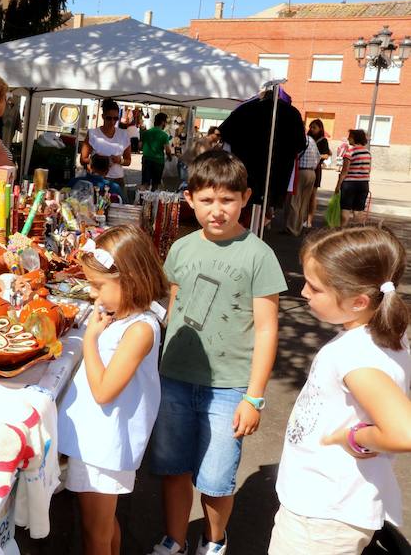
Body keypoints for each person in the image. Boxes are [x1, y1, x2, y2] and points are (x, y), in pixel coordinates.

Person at [147, 150, 287, 555]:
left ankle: (213, 541)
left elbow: (267, 329)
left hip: (229, 388)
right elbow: (174, 305)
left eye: (227, 199)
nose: (217, 210)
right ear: (189, 199)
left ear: (246, 198)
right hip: (174, 378)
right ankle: (174, 540)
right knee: (173, 468)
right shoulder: (181, 248)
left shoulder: (258, 255)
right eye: (207, 200)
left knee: (216, 479)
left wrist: (254, 397)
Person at [270, 226, 411, 554]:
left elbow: (404, 432)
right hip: (329, 507)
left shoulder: (356, 354)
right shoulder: (378, 336)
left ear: (359, 301)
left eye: (315, 287)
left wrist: (353, 437)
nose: (303, 292)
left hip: (321, 517)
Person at [57, 224, 168, 555]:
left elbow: (103, 391)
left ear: (130, 280)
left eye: (98, 286)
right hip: (98, 440)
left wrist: (90, 339)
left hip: (105, 447)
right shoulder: (122, 318)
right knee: (103, 526)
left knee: (96, 533)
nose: (93, 294)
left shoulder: (139, 330)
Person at [80, 99, 131, 199]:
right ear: (103, 116)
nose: (112, 122)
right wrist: (99, 160)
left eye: (115, 118)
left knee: (119, 206)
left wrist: (119, 160)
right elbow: (83, 159)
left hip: (117, 179)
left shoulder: (123, 134)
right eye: (109, 118)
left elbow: (128, 161)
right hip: (97, 181)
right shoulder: (93, 134)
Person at [284, 122, 321, 236]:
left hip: (300, 172)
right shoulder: (311, 140)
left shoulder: (297, 140)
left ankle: (292, 228)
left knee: (294, 201)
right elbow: (318, 157)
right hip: (312, 172)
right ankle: (299, 228)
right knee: (304, 202)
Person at [335, 129, 371, 226]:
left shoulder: (350, 152)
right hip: (363, 184)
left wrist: (338, 186)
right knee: (358, 211)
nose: (348, 138)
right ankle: (359, 232)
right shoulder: (367, 153)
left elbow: (344, 171)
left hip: (349, 184)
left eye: (350, 137)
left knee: (345, 209)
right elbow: (368, 170)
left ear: (355, 138)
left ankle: (342, 231)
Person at [304, 119, 330, 229]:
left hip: (316, 169)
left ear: (320, 128)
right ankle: (302, 218)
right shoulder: (306, 138)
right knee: (304, 195)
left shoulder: (323, 140)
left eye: (314, 127)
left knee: (312, 195)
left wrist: (316, 155)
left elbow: (326, 155)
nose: (312, 129)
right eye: (311, 127)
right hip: (304, 167)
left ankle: (309, 219)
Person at [140, 113, 172, 191]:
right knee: (155, 185)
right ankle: (153, 198)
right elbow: (167, 150)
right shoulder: (164, 135)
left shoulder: (146, 132)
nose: (166, 124)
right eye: (165, 122)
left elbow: (140, 146)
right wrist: (170, 157)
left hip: (146, 160)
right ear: (162, 122)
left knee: (145, 183)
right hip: (158, 162)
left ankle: (141, 197)